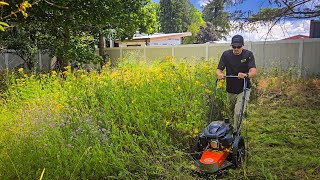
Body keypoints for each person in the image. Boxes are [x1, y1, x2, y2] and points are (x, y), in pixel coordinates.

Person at [216, 35, 257, 132]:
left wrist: (246, 75)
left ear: (242, 45)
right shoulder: (226, 55)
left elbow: (253, 71)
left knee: (238, 112)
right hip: (230, 89)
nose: (236, 49)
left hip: (244, 88)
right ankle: (230, 129)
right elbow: (219, 69)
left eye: (238, 47)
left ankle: (236, 133)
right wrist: (219, 74)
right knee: (231, 111)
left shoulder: (248, 55)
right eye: (234, 46)